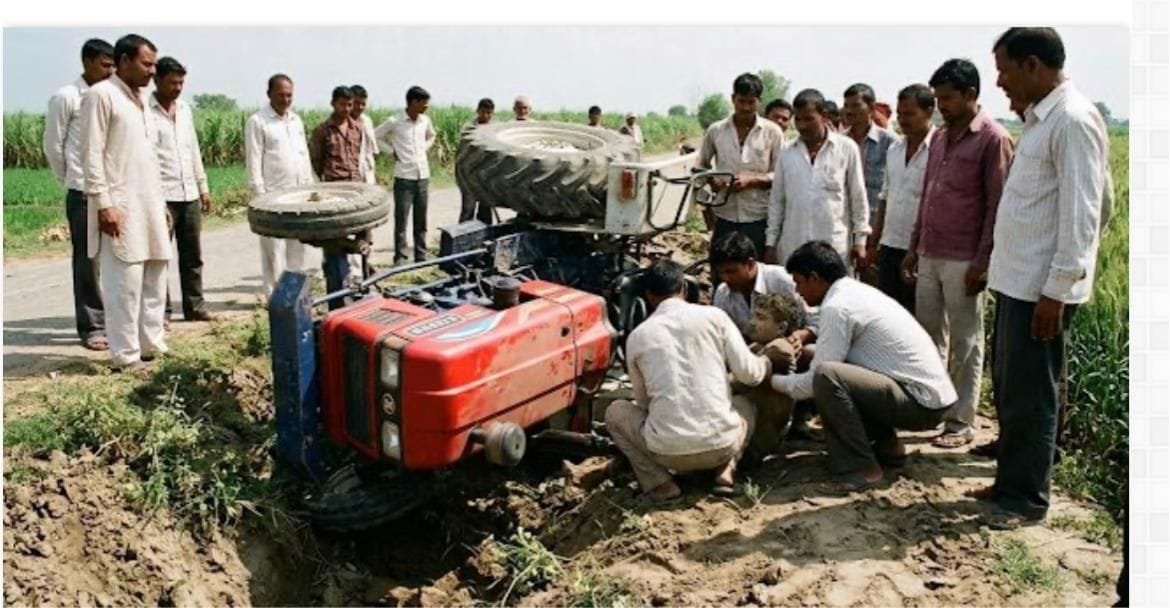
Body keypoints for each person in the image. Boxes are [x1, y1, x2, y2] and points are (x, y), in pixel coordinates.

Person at [978, 27, 1109, 527]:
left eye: (1005, 71)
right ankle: (1011, 482)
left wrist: (1058, 287)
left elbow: (1085, 212)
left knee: (1033, 395)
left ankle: (1024, 499)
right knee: (1013, 389)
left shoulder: (1072, 121)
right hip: (1018, 282)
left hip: (1041, 290)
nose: (1000, 82)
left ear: (1033, 65)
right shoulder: (1041, 120)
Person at [771, 241, 958, 492]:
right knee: (818, 359)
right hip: (924, 395)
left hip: (922, 404)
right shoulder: (852, 291)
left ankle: (860, 468)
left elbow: (813, 382)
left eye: (799, 282)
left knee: (828, 376)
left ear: (814, 278)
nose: (797, 291)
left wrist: (767, 379)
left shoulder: (838, 308)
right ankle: (889, 447)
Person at [901, 59, 1014, 450]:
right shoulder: (939, 138)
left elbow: (996, 207)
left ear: (971, 95)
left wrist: (983, 261)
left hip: (965, 257)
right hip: (931, 251)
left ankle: (961, 420)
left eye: (947, 98)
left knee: (966, 341)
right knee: (929, 336)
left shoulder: (993, 139)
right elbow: (927, 196)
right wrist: (915, 246)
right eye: (937, 99)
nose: (941, 106)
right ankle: (934, 406)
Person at [605, 259, 775, 501]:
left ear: (649, 296)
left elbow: (643, 402)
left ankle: (660, 484)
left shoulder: (638, 337)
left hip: (667, 453)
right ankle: (726, 470)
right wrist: (767, 360)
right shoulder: (715, 317)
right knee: (745, 406)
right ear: (684, 288)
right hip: (722, 445)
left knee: (615, 412)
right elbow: (751, 374)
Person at [80, 33, 170, 372]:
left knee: (155, 275)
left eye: (154, 64)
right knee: (125, 284)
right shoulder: (101, 95)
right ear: (124, 60)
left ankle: (152, 344)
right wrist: (104, 204)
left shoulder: (143, 101)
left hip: (149, 203)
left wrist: (160, 205)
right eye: (146, 63)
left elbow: (148, 157)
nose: (152, 71)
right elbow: (91, 154)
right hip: (120, 205)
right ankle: (126, 356)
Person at [711, 231, 820, 456]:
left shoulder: (781, 280)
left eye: (731, 271)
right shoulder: (723, 294)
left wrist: (801, 336)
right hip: (753, 357)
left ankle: (803, 415)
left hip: (792, 351)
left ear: (750, 264)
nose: (726, 278)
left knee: (810, 353)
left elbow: (816, 318)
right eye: (721, 272)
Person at [44, 38, 115, 351]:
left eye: (113, 65)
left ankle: (118, 321)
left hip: (110, 191)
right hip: (82, 191)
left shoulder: (109, 96)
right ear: (86, 62)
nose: (109, 70)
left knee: (117, 258)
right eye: (104, 64)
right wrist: (70, 178)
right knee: (87, 261)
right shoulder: (67, 97)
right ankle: (92, 326)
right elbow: (53, 145)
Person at [765, 88, 870, 270]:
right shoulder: (787, 154)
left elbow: (858, 197)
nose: (802, 125)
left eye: (808, 119)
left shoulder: (846, 148)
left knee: (834, 296)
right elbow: (777, 202)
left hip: (834, 246)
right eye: (797, 119)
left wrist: (860, 241)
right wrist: (770, 243)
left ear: (824, 116)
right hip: (793, 246)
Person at [148, 56, 213, 324]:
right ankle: (161, 312)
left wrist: (203, 187)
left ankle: (194, 307)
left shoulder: (185, 110)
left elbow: (193, 150)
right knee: (160, 256)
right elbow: (147, 157)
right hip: (162, 196)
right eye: (172, 82)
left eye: (181, 82)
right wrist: (154, 199)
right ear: (157, 80)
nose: (177, 88)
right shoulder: (145, 110)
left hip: (189, 194)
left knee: (192, 256)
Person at [696, 73, 786, 256]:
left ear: (759, 101)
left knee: (755, 271)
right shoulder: (716, 131)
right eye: (741, 101)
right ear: (733, 99)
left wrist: (752, 180)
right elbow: (700, 167)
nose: (745, 107)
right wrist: (713, 181)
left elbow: (782, 174)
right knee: (723, 271)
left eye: (751, 102)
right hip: (724, 215)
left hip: (759, 217)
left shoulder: (772, 132)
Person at [244, 73, 314, 296]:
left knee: (297, 245)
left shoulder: (296, 120)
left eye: (289, 95)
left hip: (299, 192)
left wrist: (310, 188)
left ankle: (294, 292)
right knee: (273, 248)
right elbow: (253, 159)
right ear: (269, 94)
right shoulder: (258, 121)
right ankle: (274, 294)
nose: (285, 99)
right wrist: (259, 194)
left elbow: (304, 155)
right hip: (272, 195)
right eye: (281, 95)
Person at [871, 83, 935, 313]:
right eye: (899, 114)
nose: (902, 120)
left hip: (921, 248)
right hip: (890, 244)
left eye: (909, 114)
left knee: (921, 315)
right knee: (890, 313)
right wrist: (875, 239)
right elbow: (885, 196)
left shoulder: (940, 149)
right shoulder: (895, 149)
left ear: (928, 111)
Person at [309, 86, 366, 293]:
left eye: (349, 104)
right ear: (333, 103)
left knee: (360, 234)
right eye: (342, 104)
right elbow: (316, 161)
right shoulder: (322, 130)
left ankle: (358, 281)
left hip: (356, 187)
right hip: (335, 189)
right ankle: (337, 282)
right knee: (336, 239)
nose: (346, 108)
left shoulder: (357, 128)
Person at [842, 83, 896, 286]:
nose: (849, 111)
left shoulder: (890, 143)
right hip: (845, 228)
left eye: (855, 106)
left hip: (876, 228)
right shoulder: (839, 142)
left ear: (871, 107)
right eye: (846, 105)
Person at [375, 86, 436, 264]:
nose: (426, 107)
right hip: (404, 177)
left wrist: (424, 148)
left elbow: (432, 135)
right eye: (424, 103)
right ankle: (400, 257)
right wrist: (391, 151)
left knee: (421, 219)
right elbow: (375, 136)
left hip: (423, 175)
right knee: (402, 219)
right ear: (413, 102)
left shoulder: (425, 120)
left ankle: (421, 255)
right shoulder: (395, 120)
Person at [458, 98, 496, 224]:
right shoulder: (468, 129)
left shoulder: (496, 130)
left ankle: (484, 239)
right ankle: (463, 239)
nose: (485, 115)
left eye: (488, 113)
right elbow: (462, 153)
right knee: (468, 208)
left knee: (485, 209)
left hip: (487, 176)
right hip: (469, 175)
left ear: (492, 113)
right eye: (483, 112)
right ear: (477, 111)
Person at [350, 84, 378, 185]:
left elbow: (372, 150)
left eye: (363, 104)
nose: (360, 107)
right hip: (348, 176)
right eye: (356, 103)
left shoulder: (367, 121)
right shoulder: (341, 123)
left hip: (367, 173)